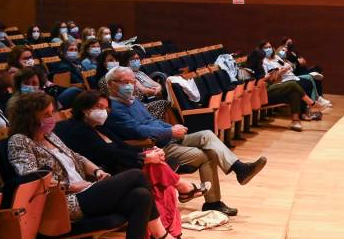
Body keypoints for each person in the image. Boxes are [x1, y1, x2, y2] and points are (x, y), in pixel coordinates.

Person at [7, 92, 196, 239]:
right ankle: (161, 235)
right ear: (30, 116)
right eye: (46, 114)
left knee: (140, 196)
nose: (52, 118)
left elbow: (77, 156)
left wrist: (97, 171)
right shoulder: (19, 141)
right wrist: (73, 185)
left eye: (52, 112)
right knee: (137, 175)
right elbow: (33, 180)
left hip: (85, 189)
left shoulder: (49, 135)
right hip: (62, 202)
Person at [103, 67, 266, 216]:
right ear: (112, 84)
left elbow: (152, 120)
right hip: (153, 147)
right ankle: (213, 202)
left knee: (207, 135)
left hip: (166, 138)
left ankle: (239, 168)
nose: (131, 86)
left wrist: (172, 128)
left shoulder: (133, 101)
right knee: (207, 154)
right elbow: (137, 131)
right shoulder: (114, 109)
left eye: (133, 82)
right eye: (126, 82)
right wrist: (169, 131)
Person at [55, 91, 209, 239]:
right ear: (84, 108)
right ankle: (182, 191)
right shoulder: (75, 129)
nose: (103, 111)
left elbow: (124, 147)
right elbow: (108, 154)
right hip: (109, 174)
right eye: (98, 107)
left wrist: (148, 153)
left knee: (160, 178)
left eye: (106, 108)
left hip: (121, 166)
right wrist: (144, 158)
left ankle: (165, 232)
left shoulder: (101, 128)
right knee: (155, 171)